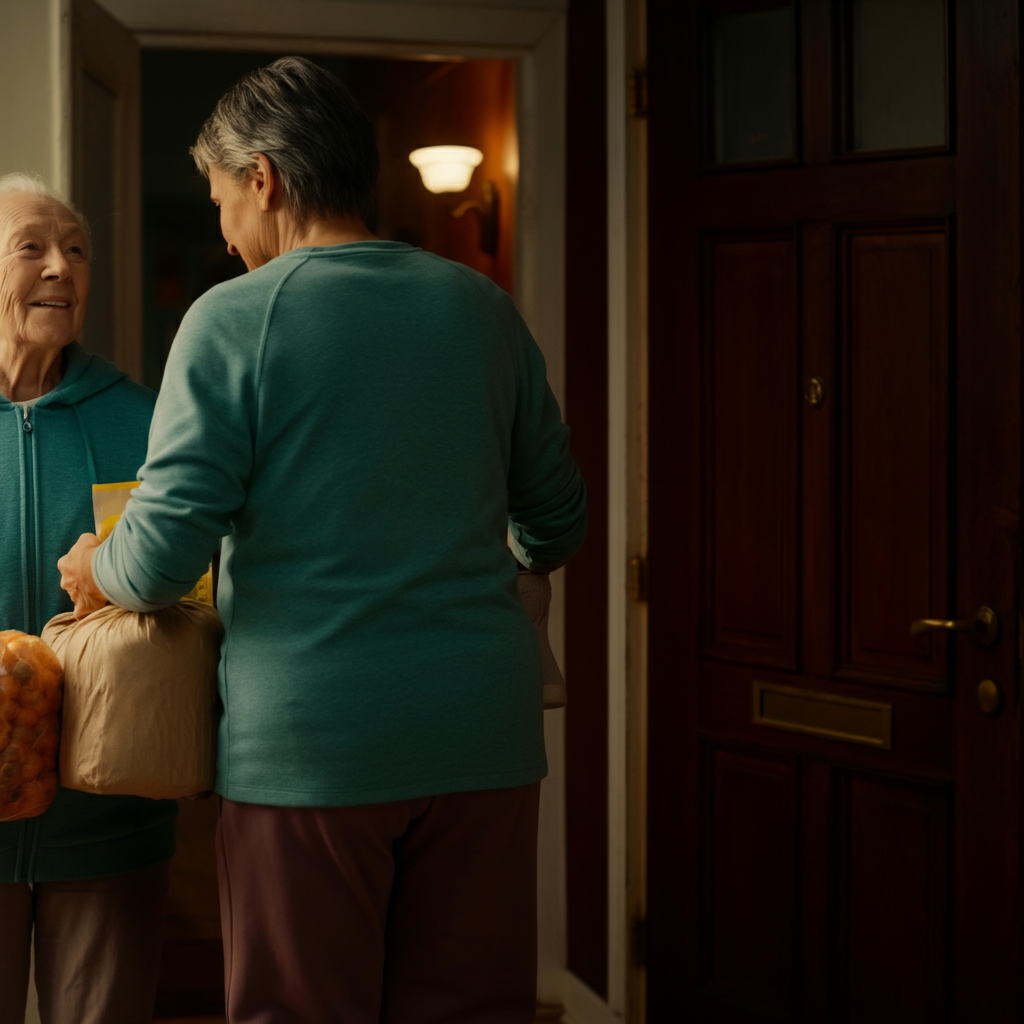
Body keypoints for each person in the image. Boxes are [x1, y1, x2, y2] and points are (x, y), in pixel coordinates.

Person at [58, 56, 586, 1024]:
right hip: (483, 732)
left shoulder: (233, 318)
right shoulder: (480, 305)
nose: (224, 234)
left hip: (312, 747)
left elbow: (158, 563)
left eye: (222, 202)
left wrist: (98, 562)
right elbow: (555, 520)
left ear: (263, 178)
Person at [0, 174, 176, 1024]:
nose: (60, 268)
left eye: (75, 250)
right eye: (31, 247)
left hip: (110, 815)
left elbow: (195, 589)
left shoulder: (147, 422)